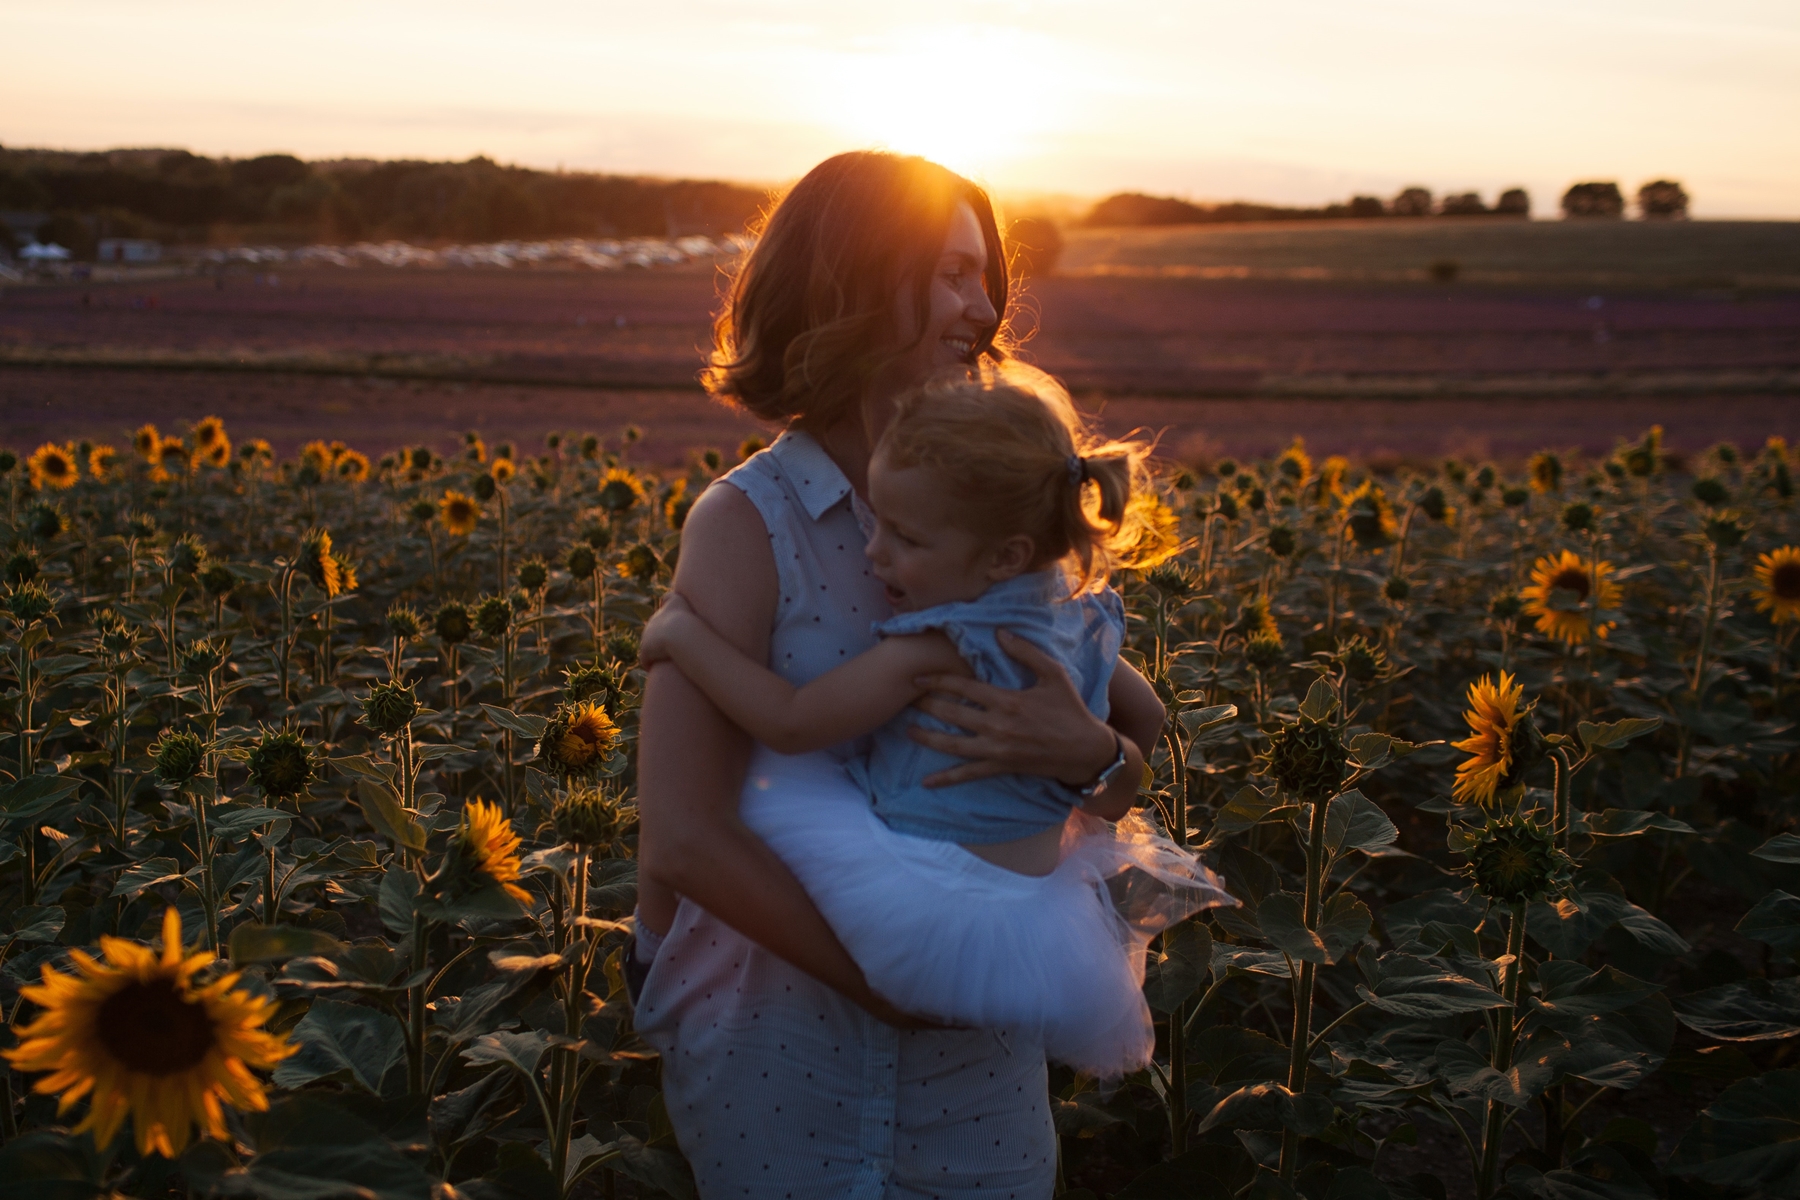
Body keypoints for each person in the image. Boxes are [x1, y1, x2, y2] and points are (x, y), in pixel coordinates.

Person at [632, 150, 1168, 1197]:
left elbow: (1114, 743)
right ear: (850, 281)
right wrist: (888, 983)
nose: (983, 307)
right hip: (779, 1041)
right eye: (950, 273)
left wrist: (1101, 758)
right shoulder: (749, 523)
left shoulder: (990, 511)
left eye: (984, 279)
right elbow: (686, 834)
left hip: (979, 1050)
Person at [639, 368, 1232, 1077]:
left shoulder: (946, 643)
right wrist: (1090, 747)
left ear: (1003, 555)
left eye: (905, 538)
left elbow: (793, 721)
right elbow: (1150, 713)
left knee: (769, 792)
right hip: (1038, 919)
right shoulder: (1083, 613)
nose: (874, 551)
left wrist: (681, 637)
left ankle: (651, 948)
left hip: (931, 906)